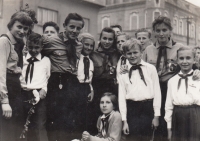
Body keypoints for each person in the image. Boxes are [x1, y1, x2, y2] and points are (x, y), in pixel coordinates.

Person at [142, 16, 200, 140]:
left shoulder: (179, 47)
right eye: (158, 30)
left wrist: (197, 72)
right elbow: (142, 69)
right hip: (154, 91)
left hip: (172, 90)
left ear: (170, 31)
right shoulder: (148, 50)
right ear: (154, 32)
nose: (161, 33)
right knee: (155, 124)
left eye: (164, 30)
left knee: (170, 123)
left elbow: (192, 65)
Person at [42, 13, 84, 141]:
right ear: (64, 26)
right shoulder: (51, 41)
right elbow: (38, 56)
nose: (75, 31)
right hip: (57, 82)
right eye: (71, 27)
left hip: (72, 82)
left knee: (71, 119)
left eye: (78, 28)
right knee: (54, 118)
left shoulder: (79, 45)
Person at [118, 40, 161, 141]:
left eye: (135, 52)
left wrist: (156, 116)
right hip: (132, 109)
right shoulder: (123, 72)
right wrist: (124, 121)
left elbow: (157, 92)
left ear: (141, 52)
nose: (132, 56)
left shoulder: (151, 69)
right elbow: (121, 97)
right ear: (124, 55)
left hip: (148, 108)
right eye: (129, 53)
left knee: (148, 138)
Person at [0, 11, 33, 141]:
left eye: (25, 28)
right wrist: (4, 101)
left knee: (16, 129)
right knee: (6, 130)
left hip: (15, 89)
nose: (22, 31)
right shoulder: (4, 41)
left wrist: (27, 90)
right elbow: (1, 72)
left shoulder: (20, 44)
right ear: (11, 25)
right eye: (19, 27)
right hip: (6, 90)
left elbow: (19, 69)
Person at [20, 33, 51, 141]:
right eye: (31, 47)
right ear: (27, 46)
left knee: (39, 124)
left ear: (42, 47)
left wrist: (44, 89)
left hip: (39, 95)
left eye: (37, 47)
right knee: (23, 124)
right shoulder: (22, 59)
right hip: (23, 93)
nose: (33, 50)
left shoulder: (46, 60)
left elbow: (48, 78)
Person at [165, 47, 200, 141]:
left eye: (188, 58)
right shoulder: (172, 81)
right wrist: (169, 128)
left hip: (195, 116)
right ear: (177, 61)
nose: (185, 61)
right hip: (178, 116)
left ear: (194, 60)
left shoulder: (198, 78)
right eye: (181, 58)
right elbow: (168, 106)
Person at [74, 32, 95, 134]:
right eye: (86, 44)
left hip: (86, 89)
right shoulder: (76, 59)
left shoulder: (91, 62)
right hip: (76, 88)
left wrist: (91, 90)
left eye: (91, 46)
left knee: (86, 118)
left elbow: (90, 79)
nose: (89, 47)